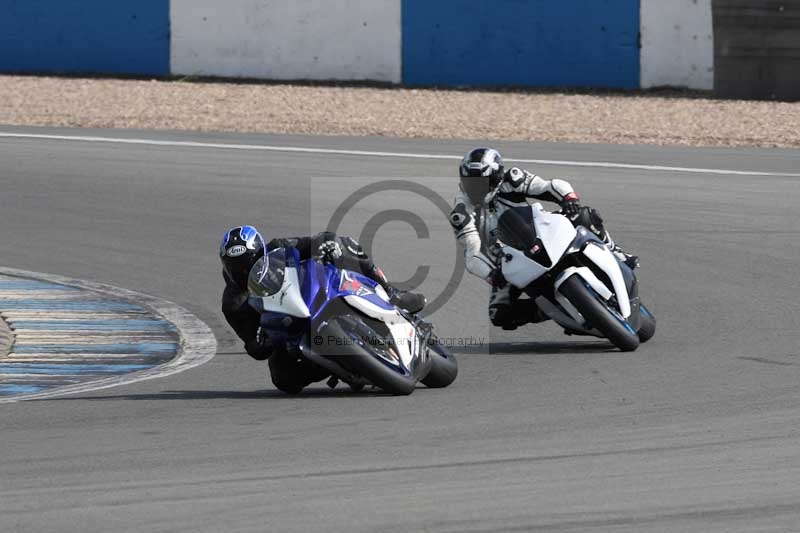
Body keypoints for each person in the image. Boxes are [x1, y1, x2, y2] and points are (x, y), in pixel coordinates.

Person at [219, 225, 426, 392]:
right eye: (235, 267)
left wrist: (327, 244)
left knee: (347, 245)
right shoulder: (233, 304)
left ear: (261, 251)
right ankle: (335, 366)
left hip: (313, 294)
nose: (243, 271)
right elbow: (252, 345)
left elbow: (315, 240)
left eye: (249, 262)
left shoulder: (277, 249)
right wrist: (261, 342)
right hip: (287, 329)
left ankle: (392, 294)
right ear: (226, 266)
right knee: (282, 379)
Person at [450, 147, 638, 331]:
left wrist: (568, 198)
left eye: (482, 182)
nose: (475, 189)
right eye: (470, 183)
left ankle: (616, 251)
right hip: (508, 261)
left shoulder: (513, 179)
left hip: (541, 233)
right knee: (500, 315)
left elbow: (549, 186)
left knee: (583, 215)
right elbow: (472, 253)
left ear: (497, 177)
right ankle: (555, 310)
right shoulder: (461, 213)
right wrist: (491, 274)